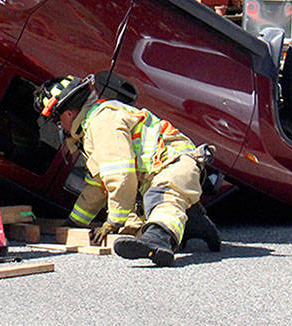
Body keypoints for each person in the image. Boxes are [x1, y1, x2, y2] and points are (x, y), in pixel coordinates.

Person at [33, 74, 219, 267]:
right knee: (134, 226)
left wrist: (113, 222)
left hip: (174, 164)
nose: (61, 128)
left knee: (160, 199)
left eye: (57, 121)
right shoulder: (94, 124)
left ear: (68, 114)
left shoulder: (102, 122)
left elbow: (120, 176)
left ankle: (158, 242)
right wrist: (75, 223)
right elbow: (98, 185)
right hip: (162, 170)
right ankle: (194, 223)